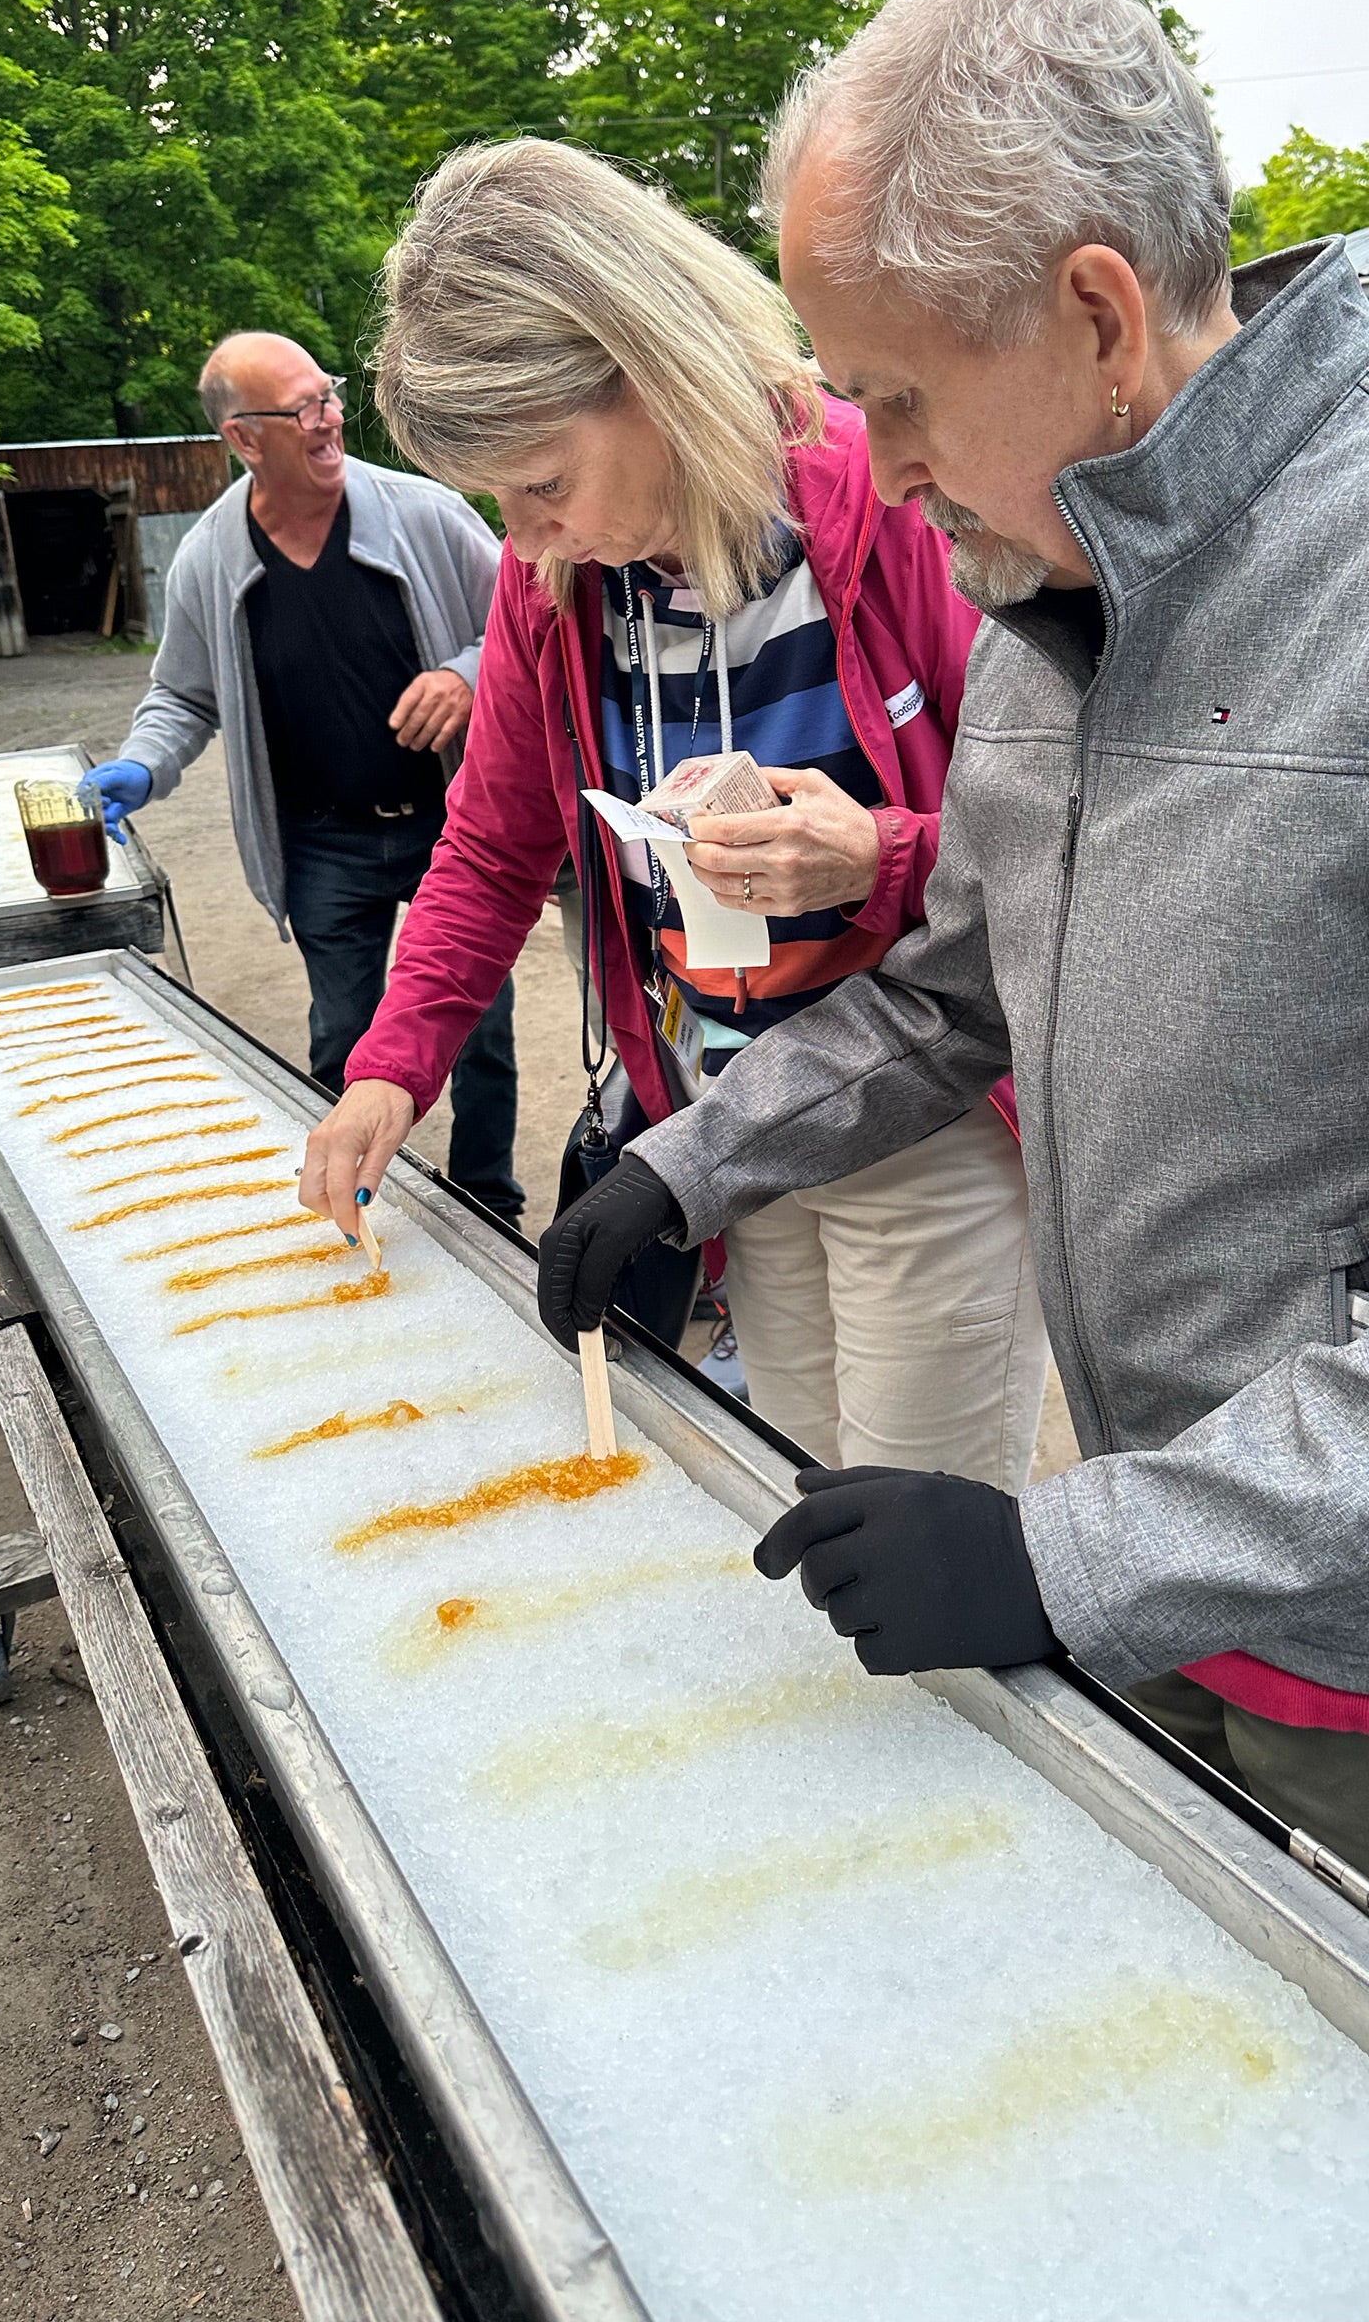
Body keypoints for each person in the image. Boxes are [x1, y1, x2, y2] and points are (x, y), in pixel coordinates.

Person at [538, 0, 1369, 1874]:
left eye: (899, 398)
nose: (880, 470)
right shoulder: (1039, 568)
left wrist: (1057, 1545)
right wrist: (690, 1159)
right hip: (1181, 1602)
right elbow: (951, 997)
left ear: (1094, 312)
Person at [298, 137, 1050, 1490]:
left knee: (917, 1527)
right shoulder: (557, 591)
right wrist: (388, 1063)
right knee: (794, 1492)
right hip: (724, 1121)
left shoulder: (895, 503)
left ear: (652, 374)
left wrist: (874, 853)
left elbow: (1062, 842)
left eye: (543, 483)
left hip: (925, 1123)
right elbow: (488, 843)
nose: (525, 540)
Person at [83, 331, 523, 1223]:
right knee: (342, 1035)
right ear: (245, 438)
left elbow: (526, 623)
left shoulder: (426, 514)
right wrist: (141, 764)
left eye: (329, 395)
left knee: (477, 1030)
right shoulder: (211, 558)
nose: (331, 420)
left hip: (451, 827)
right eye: (305, 408)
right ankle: (367, 1199)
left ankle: (489, 1203)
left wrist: (466, 677)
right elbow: (182, 693)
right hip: (322, 840)